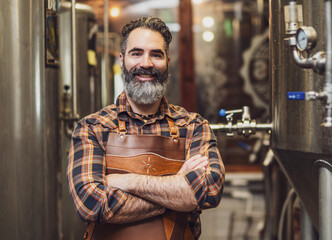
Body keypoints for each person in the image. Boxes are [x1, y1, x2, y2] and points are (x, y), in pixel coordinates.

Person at [67, 17, 225, 240]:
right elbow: (92, 204)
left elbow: (207, 192)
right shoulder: (93, 127)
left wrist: (125, 181)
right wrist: (176, 190)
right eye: (136, 53)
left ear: (168, 62)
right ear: (122, 60)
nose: (146, 63)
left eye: (156, 54)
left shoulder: (193, 126)